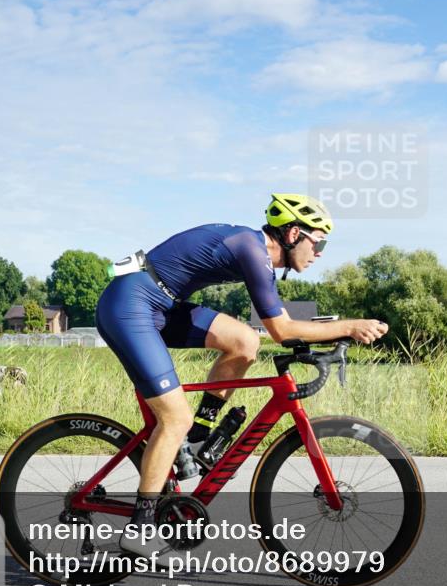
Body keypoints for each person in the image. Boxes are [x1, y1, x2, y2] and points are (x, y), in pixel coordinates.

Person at [94, 193, 388, 557]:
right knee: (173, 419)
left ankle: (198, 438)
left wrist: (337, 331)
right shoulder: (252, 249)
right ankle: (140, 526)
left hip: (163, 303)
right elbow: (282, 330)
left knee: (245, 342)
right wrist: (350, 326)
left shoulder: (254, 249)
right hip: (130, 304)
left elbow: (272, 331)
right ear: (294, 233)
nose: (321, 251)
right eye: (319, 240)